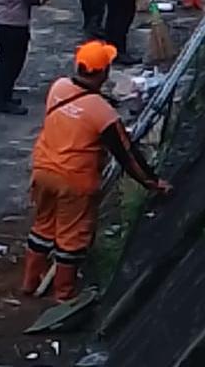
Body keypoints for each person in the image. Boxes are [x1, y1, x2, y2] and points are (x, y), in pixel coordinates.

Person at [22, 40, 172, 301]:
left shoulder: (58, 87)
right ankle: (64, 295)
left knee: (43, 226)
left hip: (43, 169)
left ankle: (29, 282)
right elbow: (127, 156)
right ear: (103, 72)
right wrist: (152, 182)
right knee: (71, 238)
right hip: (74, 180)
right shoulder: (103, 113)